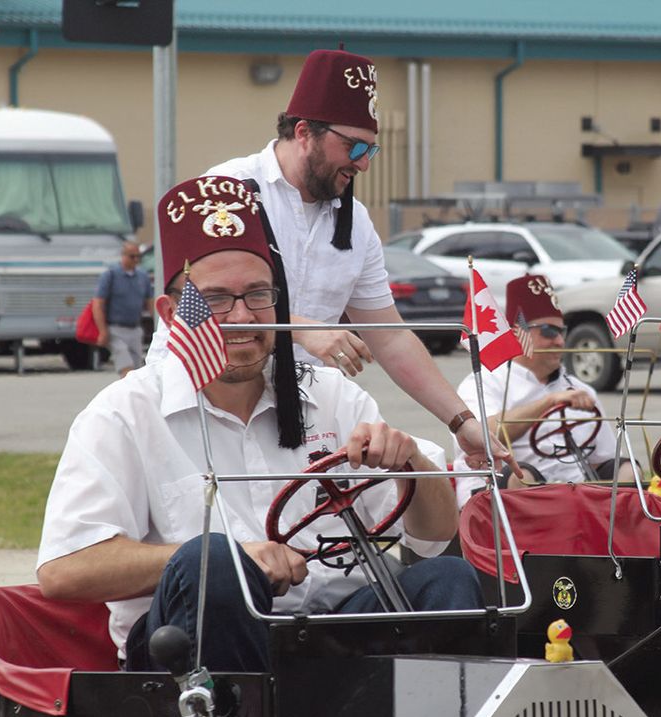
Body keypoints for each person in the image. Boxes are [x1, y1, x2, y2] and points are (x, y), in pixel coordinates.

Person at [38, 175, 484, 673]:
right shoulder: (123, 413)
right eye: (215, 300)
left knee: (448, 579)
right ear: (170, 312)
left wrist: (411, 464)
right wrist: (227, 558)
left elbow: (434, 533)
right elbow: (63, 570)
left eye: (257, 295)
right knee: (214, 560)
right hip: (185, 654)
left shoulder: (330, 395)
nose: (242, 317)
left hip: (330, 632)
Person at [145, 48, 512, 474]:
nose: (362, 163)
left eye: (371, 151)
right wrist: (298, 329)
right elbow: (203, 307)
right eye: (354, 146)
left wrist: (462, 420)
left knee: (414, 475)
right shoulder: (224, 192)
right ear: (304, 132)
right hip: (201, 406)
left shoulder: (355, 223)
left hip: (292, 414)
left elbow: (390, 337)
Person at [452, 274, 637, 506]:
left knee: (629, 472)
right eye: (549, 331)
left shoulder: (579, 389)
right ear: (518, 330)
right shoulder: (483, 383)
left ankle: (613, 538)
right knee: (522, 478)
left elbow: (605, 458)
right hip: (507, 493)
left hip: (575, 497)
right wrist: (549, 402)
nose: (560, 341)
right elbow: (481, 436)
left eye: (563, 331)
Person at [95, 240, 152, 377]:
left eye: (138, 257)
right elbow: (98, 303)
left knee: (137, 370)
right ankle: (127, 395)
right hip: (115, 328)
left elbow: (150, 301)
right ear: (123, 256)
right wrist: (102, 331)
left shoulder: (142, 277)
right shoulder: (111, 275)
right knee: (126, 366)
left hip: (135, 328)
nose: (136, 260)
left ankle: (135, 396)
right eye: (132, 256)